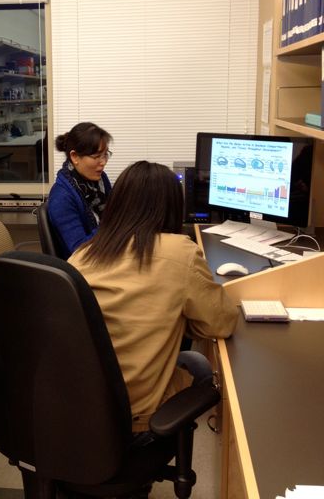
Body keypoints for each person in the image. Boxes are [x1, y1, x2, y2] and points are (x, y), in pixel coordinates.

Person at [68, 160, 238, 434]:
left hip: (76, 405)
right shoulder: (180, 251)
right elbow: (221, 324)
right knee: (200, 364)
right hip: (136, 415)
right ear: (172, 206)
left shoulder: (85, 252)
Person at [47, 121, 113, 259]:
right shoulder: (61, 198)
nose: (103, 162)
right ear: (75, 157)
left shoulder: (100, 179)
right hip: (84, 266)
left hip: (106, 251)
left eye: (105, 154)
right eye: (96, 157)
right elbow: (79, 250)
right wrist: (115, 223)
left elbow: (112, 211)